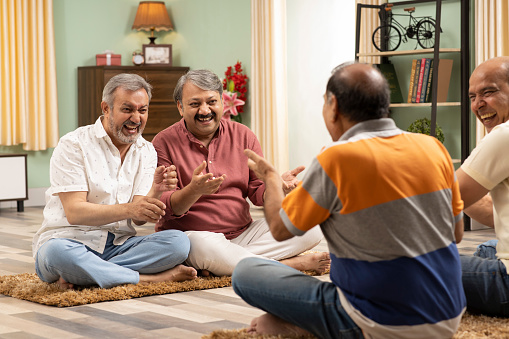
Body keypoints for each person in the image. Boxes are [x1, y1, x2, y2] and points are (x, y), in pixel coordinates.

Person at [232, 62, 466, 338]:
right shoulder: (433, 147)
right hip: (450, 314)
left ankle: (306, 325)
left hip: (378, 322)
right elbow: (456, 233)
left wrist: (270, 177)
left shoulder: (335, 158)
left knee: (245, 271)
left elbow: (280, 230)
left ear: (333, 106)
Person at [151, 69, 328, 277]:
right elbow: (166, 207)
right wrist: (193, 190)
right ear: (181, 107)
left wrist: (276, 186)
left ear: (222, 102)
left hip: (243, 233)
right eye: (195, 104)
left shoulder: (244, 135)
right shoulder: (162, 142)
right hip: (195, 237)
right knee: (200, 246)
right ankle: (293, 265)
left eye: (211, 102)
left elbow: (258, 193)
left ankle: (224, 264)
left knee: (312, 225)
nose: (204, 110)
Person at [32, 73, 197, 290]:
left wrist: (156, 192)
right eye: (127, 109)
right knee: (57, 255)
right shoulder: (73, 144)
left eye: (142, 110)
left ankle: (88, 274)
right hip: (67, 241)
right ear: (106, 108)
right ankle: (149, 279)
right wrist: (131, 209)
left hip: (119, 245)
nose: (136, 118)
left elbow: (138, 219)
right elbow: (75, 212)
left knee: (179, 243)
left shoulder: (146, 150)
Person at [457, 56, 509, 317]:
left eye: (488, 92)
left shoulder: (504, 135)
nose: (478, 104)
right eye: (472, 96)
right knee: (487, 248)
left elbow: (445, 201)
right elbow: (495, 213)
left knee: (405, 264)